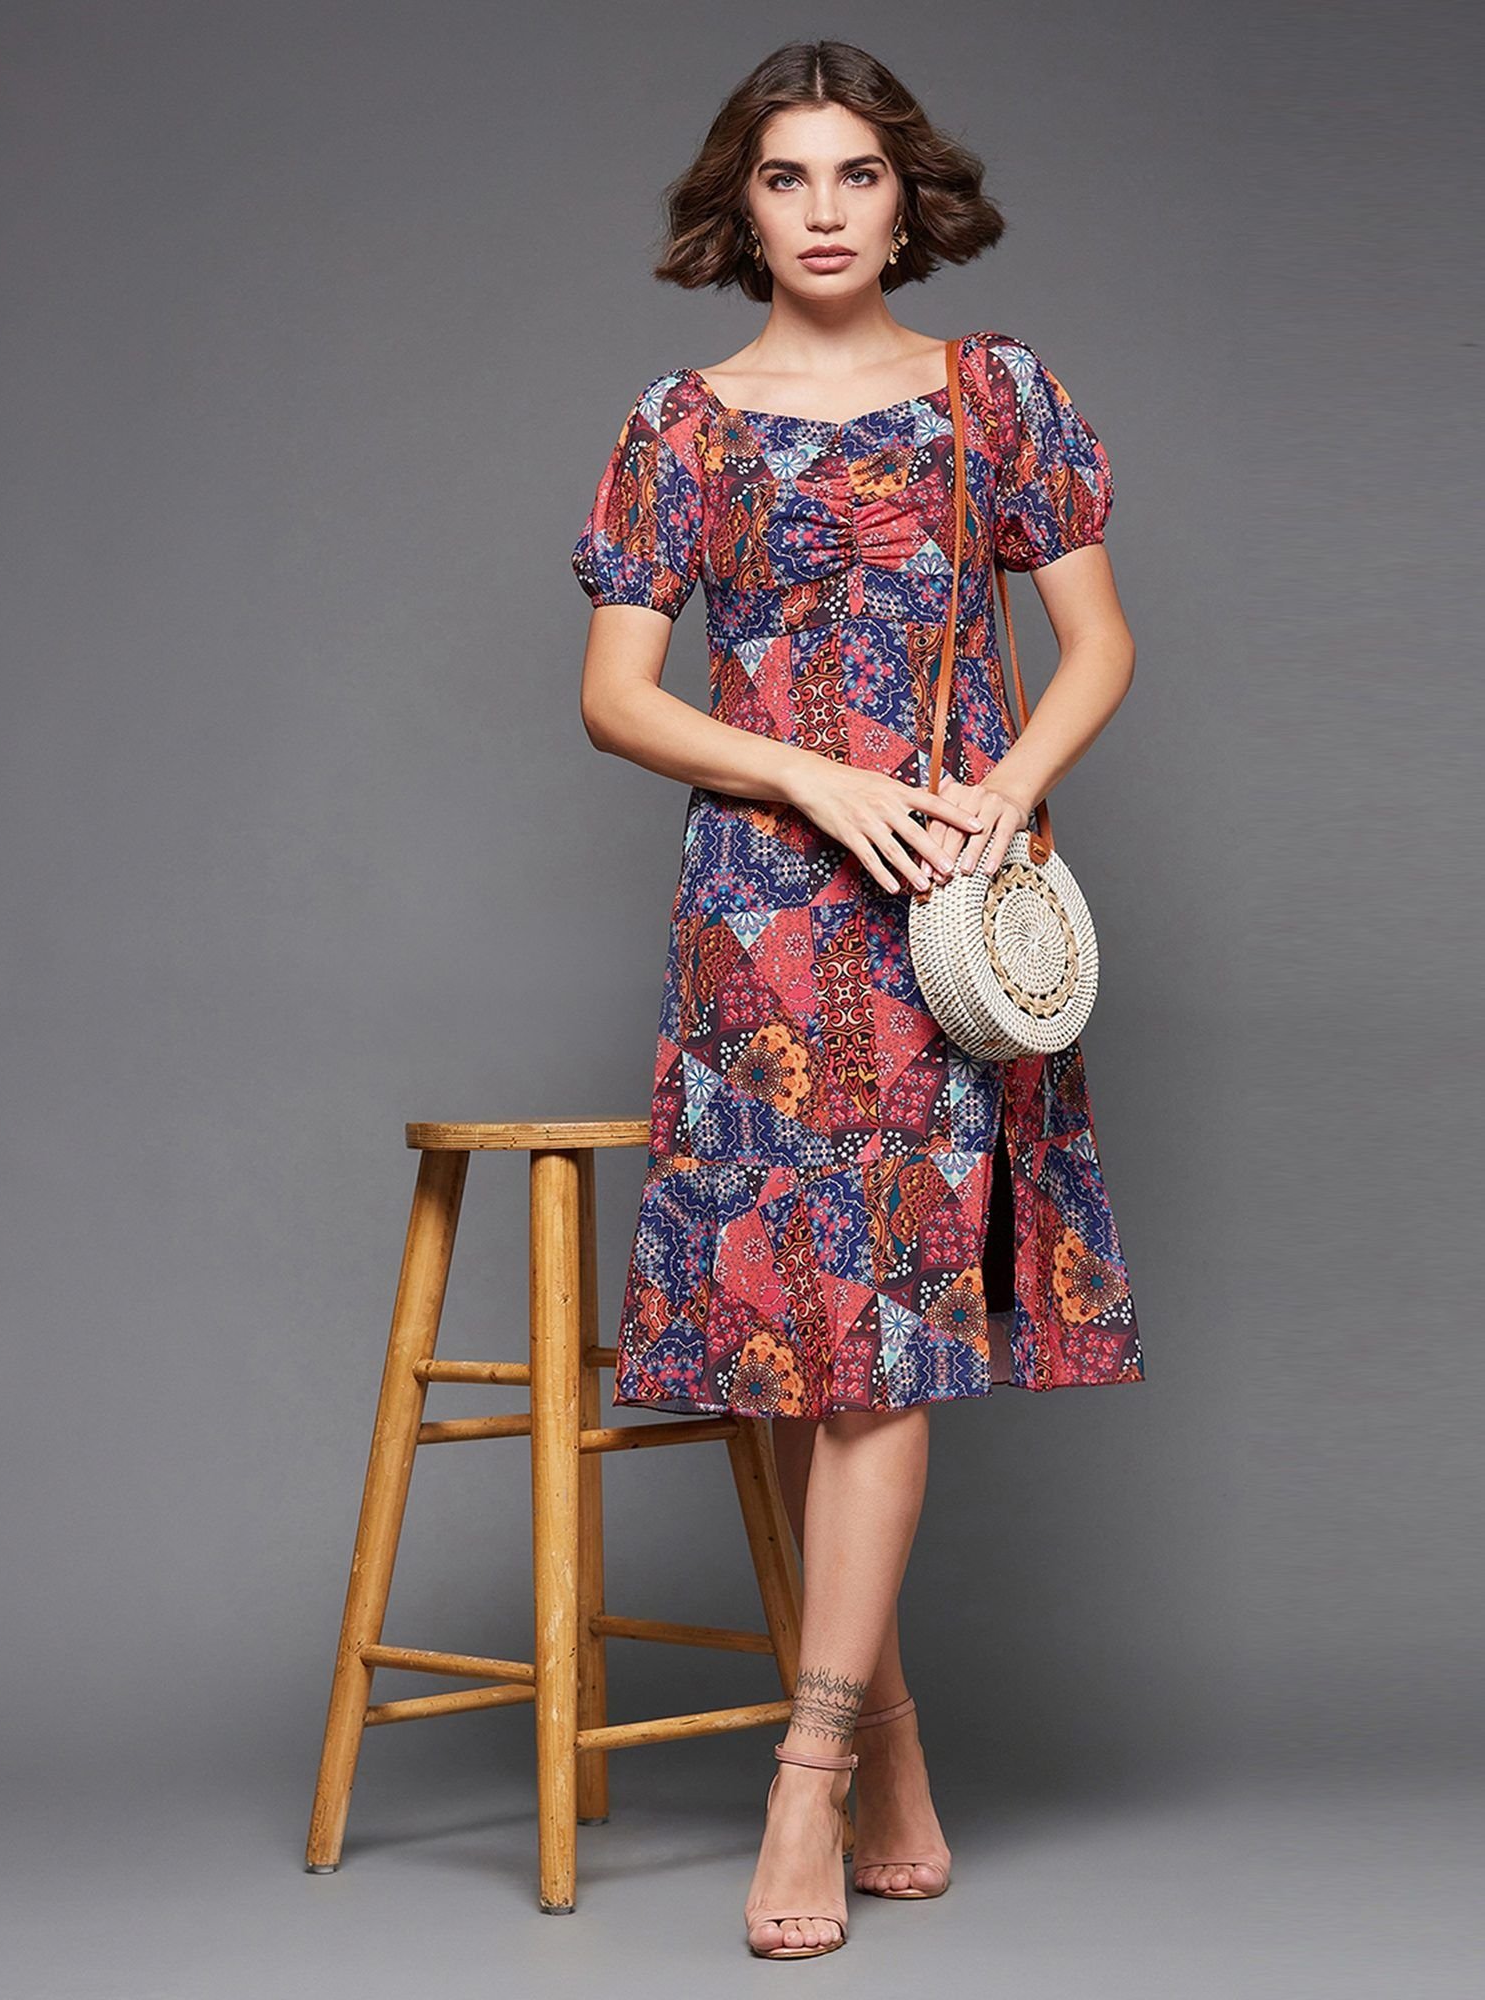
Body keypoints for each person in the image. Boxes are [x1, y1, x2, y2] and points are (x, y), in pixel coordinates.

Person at [570, 38, 1145, 1962]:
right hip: (758, 920)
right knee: (801, 1341)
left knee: (887, 1341)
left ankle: (805, 1775)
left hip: (942, 919)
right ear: (742, 210)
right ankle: (888, 1741)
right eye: (786, 178)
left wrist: (997, 792)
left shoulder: (998, 397)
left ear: (911, 202)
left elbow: (1097, 643)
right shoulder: (682, 424)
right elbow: (618, 695)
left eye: (858, 176)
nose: (823, 211)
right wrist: (811, 779)